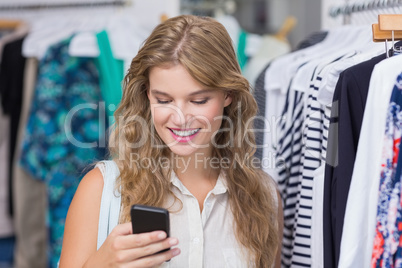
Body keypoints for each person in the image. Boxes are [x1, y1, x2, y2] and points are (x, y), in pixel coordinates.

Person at [59, 14, 283, 268]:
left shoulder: (264, 198)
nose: (180, 118)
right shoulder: (101, 190)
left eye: (198, 101)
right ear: (147, 95)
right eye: (164, 100)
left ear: (228, 95)